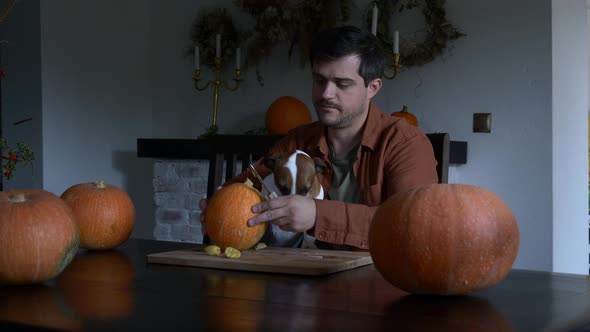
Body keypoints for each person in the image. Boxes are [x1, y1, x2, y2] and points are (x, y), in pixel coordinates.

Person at [199, 25, 438, 250]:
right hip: (301, 278)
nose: (326, 94)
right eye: (319, 80)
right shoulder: (297, 141)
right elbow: (248, 184)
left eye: (342, 84)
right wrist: (221, 205)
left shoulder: (405, 143)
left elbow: (413, 224)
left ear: (372, 88)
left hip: (379, 279)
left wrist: (317, 215)